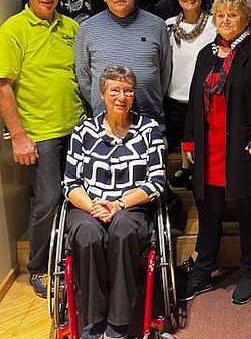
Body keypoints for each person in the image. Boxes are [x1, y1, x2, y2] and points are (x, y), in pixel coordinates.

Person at [181, 0, 251, 304]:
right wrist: (189, 139)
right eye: (221, 15)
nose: (226, 20)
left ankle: (250, 272)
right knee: (208, 213)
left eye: (233, 15)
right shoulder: (206, 54)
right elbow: (194, 101)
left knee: (249, 215)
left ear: (245, 19)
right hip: (209, 148)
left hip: (243, 148)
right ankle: (204, 269)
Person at [63, 64, 165, 339]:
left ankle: (118, 322)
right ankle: (94, 320)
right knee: (87, 233)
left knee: (123, 229)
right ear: (102, 94)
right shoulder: (84, 131)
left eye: (128, 91)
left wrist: (119, 205)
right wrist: (93, 207)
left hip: (131, 206)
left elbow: (156, 181)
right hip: (88, 205)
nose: (122, 97)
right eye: (115, 91)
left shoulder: (149, 129)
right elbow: (70, 184)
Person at [0, 0, 84, 298]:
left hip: (77, 128)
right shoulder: (13, 29)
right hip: (40, 133)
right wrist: (18, 136)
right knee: (48, 199)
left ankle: (76, 260)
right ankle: (39, 266)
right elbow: (3, 86)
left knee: (80, 198)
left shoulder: (71, 27)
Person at [75, 0, 171, 122]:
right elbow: (84, 77)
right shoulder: (87, 29)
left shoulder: (157, 26)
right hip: (105, 122)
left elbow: (165, 72)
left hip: (150, 120)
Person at [165, 0, 216, 186]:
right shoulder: (168, 25)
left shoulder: (215, 24)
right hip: (174, 99)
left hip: (205, 100)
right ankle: (185, 170)